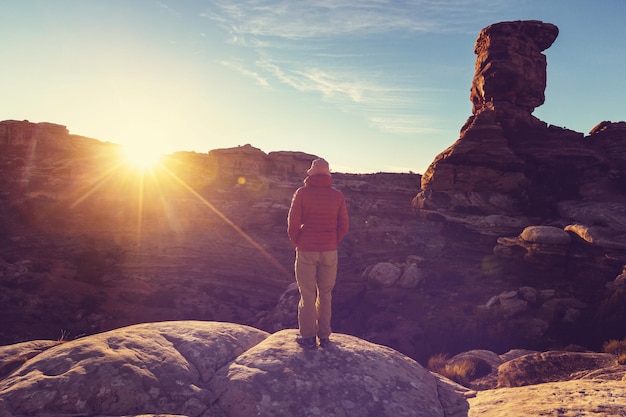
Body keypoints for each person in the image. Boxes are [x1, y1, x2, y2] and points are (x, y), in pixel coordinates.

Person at [287, 158, 349, 349]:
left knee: (307, 294)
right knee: (326, 293)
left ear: (311, 174)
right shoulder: (337, 196)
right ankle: (324, 336)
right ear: (328, 175)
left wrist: (298, 241)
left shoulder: (302, 193)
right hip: (329, 250)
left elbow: (293, 223)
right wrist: (332, 241)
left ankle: (307, 337)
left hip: (306, 249)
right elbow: (344, 226)